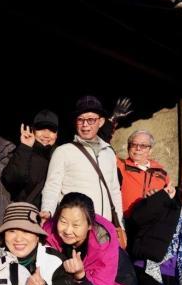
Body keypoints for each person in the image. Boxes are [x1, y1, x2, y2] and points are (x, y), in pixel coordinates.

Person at [41, 96, 124, 226]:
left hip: (104, 227)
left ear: (101, 122)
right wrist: (48, 212)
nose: (85, 125)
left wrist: (120, 224)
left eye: (91, 120)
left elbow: (114, 191)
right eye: (80, 120)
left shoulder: (109, 153)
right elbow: (52, 187)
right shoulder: (63, 151)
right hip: (75, 225)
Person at [1, 110, 59, 208]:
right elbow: (11, 180)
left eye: (51, 130)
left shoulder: (60, 157)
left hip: (52, 216)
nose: (46, 134)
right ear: (33, 130)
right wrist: (25, 147)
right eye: (41, 129)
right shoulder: (23, 152)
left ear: (56, 134)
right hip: (27, 215)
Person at [117, 130, 170, 219]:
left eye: (143, 146)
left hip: (152, 222)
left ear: (150, 150)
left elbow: (168, 199)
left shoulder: (162, 173)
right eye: (134, 144)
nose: (138, 148)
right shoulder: (119, 166)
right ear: (128, 148)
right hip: (125, 219)